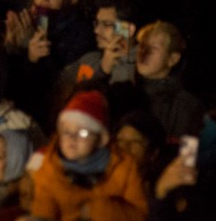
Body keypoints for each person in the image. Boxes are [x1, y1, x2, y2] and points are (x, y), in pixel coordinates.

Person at [30, 90, 149, 221]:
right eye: (66, 131)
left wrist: (97, 209)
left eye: (83, 133)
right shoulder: (50, 167)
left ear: (100, 139)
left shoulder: (124, 167)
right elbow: (44, 210)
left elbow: (140, 215)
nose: (72, 138)